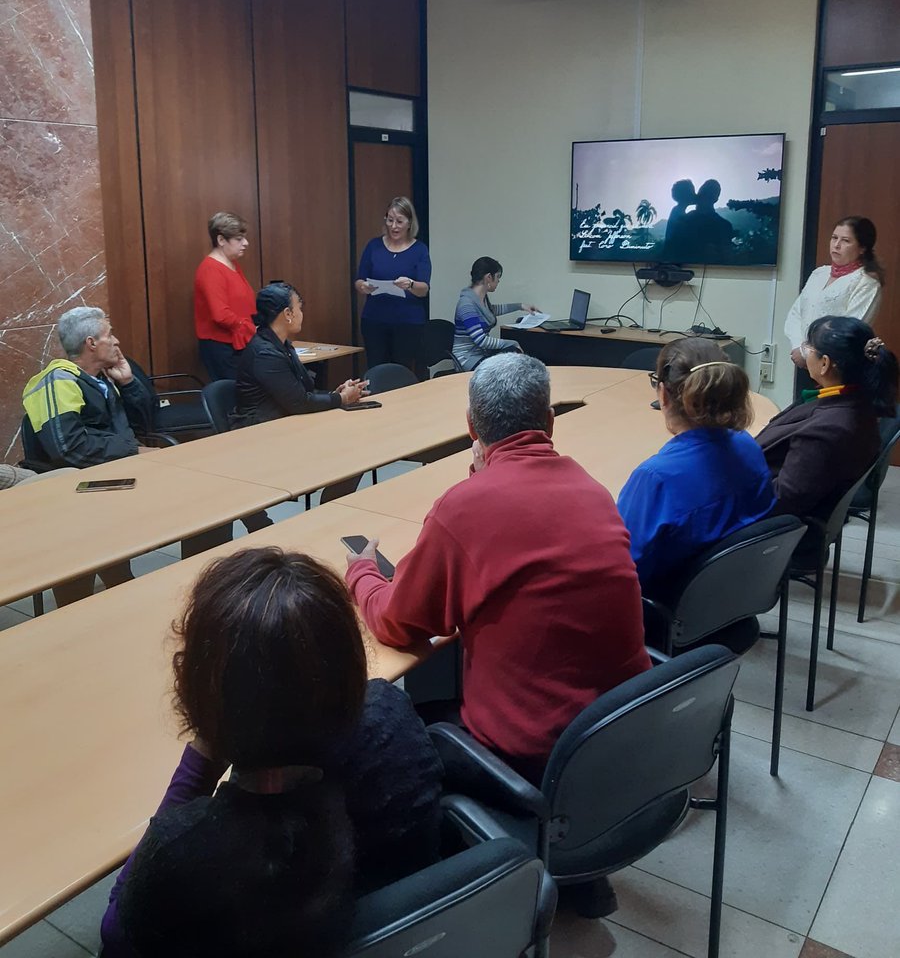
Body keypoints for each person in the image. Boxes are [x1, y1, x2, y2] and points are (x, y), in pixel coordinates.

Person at [100, 547, 442, 958]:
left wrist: (203, 756)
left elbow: (115, 936)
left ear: (198, 689)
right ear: (348, 668)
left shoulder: (187, 848)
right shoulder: (391, 719)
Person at [345, 352, 650, 786]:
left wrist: (361, 572)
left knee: (381, 715)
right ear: (549, 421)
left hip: (534, 760)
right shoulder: (592, 489)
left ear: (471, 426)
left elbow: (397, 625)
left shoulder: (465, 509)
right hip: (623, 730)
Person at [617, 338, 775, 601]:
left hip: (666, 612)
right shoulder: (747, 446)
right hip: (733, 597)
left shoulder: (656, 478)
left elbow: (622, 569)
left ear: (663, 394)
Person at [21, 306, 155, 604]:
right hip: (68, 492)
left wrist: (129, 384)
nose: (117, 341)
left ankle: (120, 580)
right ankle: (75, 608)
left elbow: (147, 425)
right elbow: (69, 448)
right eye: (110, 335)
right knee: (79, 585)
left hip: (110, 478)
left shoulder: (105, 377)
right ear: (91, 343)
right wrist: (132, 449)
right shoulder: (58, 381)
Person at [755, 316, 898, 525]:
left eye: (809, 346)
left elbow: (783, 499)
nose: (804, 350)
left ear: (825, 363)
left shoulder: (830, 429)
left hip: (773, 530)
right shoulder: (856, 401)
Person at [233, 282, 366, 426]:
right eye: (299, 308)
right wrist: (342, 398)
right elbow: (299, 403)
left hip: (283, 418)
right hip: (259, 428)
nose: (301, 314)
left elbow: (304, 391)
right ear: (288, 314)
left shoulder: (283, 344)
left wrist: (335, 394)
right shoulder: (265, 354)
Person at [785, 217, 884, 374]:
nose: (836, 245)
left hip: (837, 368)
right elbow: (796, 313)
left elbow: (850, 330)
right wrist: (798, 347)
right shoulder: (819, 273)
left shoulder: (866, 282)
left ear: (862, 248)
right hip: (805, 363)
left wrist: (807, 353)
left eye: (845, 241)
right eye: (834, 238)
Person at [355, 196, 431, 372]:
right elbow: (359, 280)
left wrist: (411, 284)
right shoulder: (374, 246)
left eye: (399, 221)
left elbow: (424, 289)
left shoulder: (419, 249)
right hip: (375, 320)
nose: (394, 226)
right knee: (376, 369)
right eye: (390, 220)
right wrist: (362, 286)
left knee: (401, 371)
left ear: (409, 223)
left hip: (408, 323)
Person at [194, 211, 256, 381]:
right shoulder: (210, 269)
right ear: (221, 240)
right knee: (233, 396)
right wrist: (249, 328)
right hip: (222, 347)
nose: (246, 243)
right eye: (239, 239)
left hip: (239, 342)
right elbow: (221, 315)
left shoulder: (232, 264)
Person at [451, 257, 539, 371]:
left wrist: (520, 306)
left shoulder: (480, 299)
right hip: (467, 358)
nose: (498, 281)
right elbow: (481, 340)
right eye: (497, 277)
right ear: (488, 277)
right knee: (512, 353)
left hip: (480, 353)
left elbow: (491, 310)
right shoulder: (466, 304)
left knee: (513, 353)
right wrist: (511, 342)